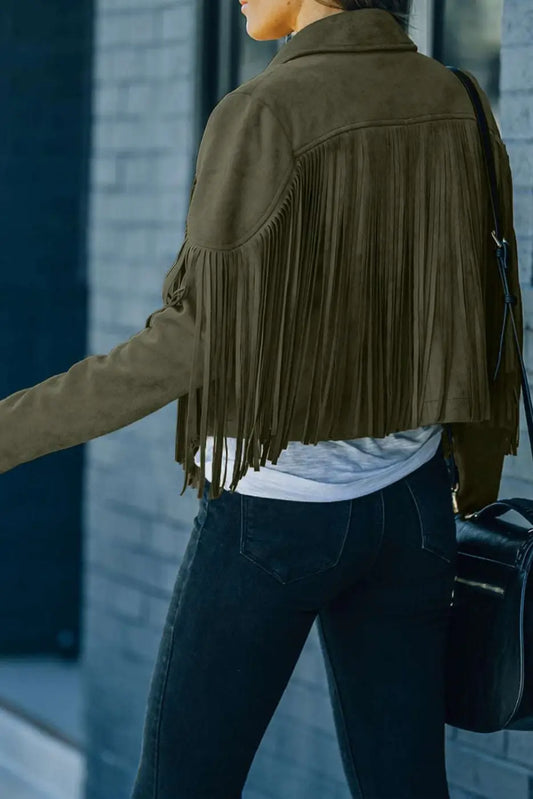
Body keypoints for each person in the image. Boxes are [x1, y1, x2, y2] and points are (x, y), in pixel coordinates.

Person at [0, 1, 523, 798]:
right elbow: (491, 305)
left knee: (182, 782)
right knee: (405, 786)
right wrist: (471, 474)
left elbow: (193, 339)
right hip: (415, 508)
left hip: (274, 517)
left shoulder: (262, 111)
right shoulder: (456, 96)